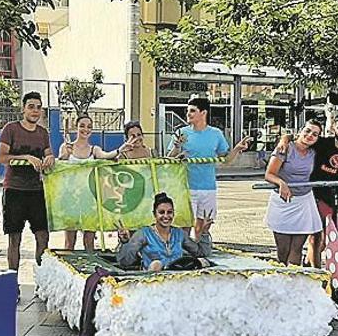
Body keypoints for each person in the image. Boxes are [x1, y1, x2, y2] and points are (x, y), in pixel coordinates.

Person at [277, 113, 338, 267]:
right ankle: (316, 272)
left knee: (327, 237)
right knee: (316, 238)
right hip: (313, 197)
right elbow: (301, 137)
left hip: (335, 200)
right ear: (333, 129)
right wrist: (284, 139)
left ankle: (309, 263)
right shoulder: (323, 143)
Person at [166, 97, 249, 237]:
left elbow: (226, 160)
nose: (188, 114)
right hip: (186, 186)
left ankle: (200, 250)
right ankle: (182, 253)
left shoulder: (216, 134)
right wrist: (177, 147)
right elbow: (168, 160)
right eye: (188, 111)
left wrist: (236, 149)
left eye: (192, 111)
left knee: (204, 225)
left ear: (203, 113)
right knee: (184, 224)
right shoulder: (181, 133)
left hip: (208, 186)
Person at [0, 91, 55, 271]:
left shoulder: (43, 133)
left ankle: (41, 281)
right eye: (31, 107)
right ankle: (12, 282)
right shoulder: (10, 129)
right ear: (23, 109)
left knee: (43, 237)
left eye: (38, 108)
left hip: (38, 191)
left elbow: (49, 154)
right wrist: (27, 157)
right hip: (14, 190)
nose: (35, 111)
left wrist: (50, 158)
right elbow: (1, 158)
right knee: (15, 239)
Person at [58, 114, 130, 251]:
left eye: (89, 127)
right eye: (82, 126)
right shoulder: (65, 147)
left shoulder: (94, 149)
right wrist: (65, 156)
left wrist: (121, 149)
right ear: (76, 127)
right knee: (69, 241)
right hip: (71, 198)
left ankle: (90, 270)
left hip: (89, 198)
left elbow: (107, 156)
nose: (86, 129)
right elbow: (59, 168)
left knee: (89, 240)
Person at [264, 120, 324, 266]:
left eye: (315, 134)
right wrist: (281, 183)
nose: (310, 135)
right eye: (308, 131)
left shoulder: (314, 152)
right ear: (301, 130)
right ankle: (281, 282)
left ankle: (294, 284)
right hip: (283, 202)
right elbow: (269, 174)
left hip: (304, 201)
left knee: (296, 249)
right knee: (283, 251)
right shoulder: (285, 148)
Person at [116, 192, 212, 271]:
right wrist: (125, 242)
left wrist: (204, 232)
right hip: (153, 281)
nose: (166, 216)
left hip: (179, 277)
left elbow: (201, 253)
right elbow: (125, 262)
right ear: (154, 214)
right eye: (161, 212)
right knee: (156, 264)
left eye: (169, 212)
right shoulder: (144, 233)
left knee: (202, 261)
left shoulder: (179, 233)